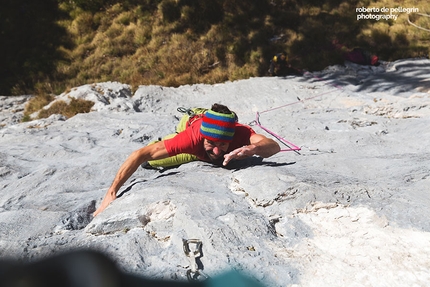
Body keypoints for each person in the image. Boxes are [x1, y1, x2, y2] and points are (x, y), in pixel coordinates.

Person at [93, 103, 281, 216]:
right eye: (211, 143)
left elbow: (274, 147)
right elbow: (140, 154)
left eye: (223, 145)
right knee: (150, 161)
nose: (216, 150)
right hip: (190, 127)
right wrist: (111, 192)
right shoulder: (191, 139)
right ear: (203, 137)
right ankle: (165, 138)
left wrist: (253, 148)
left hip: (203, 131)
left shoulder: (241, 134)